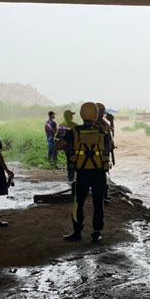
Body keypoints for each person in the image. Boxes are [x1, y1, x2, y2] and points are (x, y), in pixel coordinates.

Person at [57, 102, 112, 243]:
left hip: (82, 173)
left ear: (81, 115)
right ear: (96, 115)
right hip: (99, 173)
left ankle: (77, 233)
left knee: (78, 203)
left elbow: (58, 145)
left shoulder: (74, 131)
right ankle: (97, 232)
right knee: (98, 203)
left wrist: (70, 146)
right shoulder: (103, 132)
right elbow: (108, 147)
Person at [60, 110, 76, 185]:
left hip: (66, 147)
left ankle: (70, 177)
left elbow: (58, 137)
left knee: (69, 161)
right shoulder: (75, 125)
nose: (72, 117)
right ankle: (72, 177)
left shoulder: (61, 125)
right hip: (73, 147)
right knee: (73, 162)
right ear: (68, 116)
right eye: (71, 115)